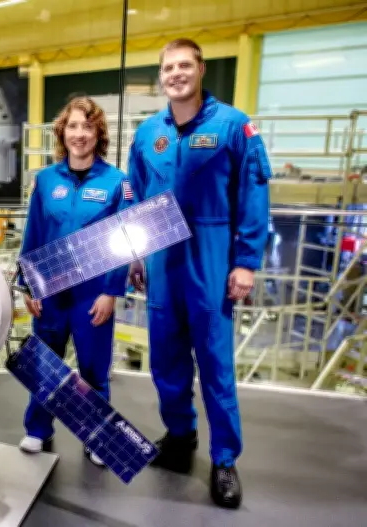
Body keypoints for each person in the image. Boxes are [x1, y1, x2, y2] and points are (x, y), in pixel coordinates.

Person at [126, 38, 271, 509]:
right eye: (168, 67)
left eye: (184, 65)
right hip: (162, 262)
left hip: (211, 257)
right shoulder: (147, 134)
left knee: (215, 364)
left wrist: (246, 261)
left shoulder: (234, 126)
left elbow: (254, 195)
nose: (176, 74)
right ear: (161, 75)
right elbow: (134, 197)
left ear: (201, 69)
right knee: (165, 359)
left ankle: (224, 459)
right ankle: (180, 436)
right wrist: (135, 253)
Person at [17, 96, 133, 466]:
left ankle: (96, 436)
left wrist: (111, 291)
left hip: (92, 292)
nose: (79, 134)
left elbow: (123, 241)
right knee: (45, 363)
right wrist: (28, 283)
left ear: (99, 133)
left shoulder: (117, 183)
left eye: (87, 126)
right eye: (73, 126)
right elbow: (34, 234)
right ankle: (38, 429)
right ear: (62, 132)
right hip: (51, 290)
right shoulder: (45, 180)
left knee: (93, 368)